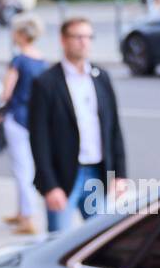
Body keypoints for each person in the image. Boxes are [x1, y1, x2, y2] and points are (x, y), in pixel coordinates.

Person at [28, 17, 127, 233]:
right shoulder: (46, 83)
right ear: (63, 40)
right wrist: (50, 185)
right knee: (58, 244)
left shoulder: (101, 78)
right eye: (78, 37)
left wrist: (120, 174)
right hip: (64, 178)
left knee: (98, 242)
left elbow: (114, 129)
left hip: (97, 174)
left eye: (88, 37)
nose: (84, 42)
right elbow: (39, 139)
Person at [0, 15, 47, 235]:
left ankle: (28, 219)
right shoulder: (41, 61)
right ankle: (21, 212)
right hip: (35, 119)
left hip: (17, 117)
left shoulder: (18, 60)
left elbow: (6, 93)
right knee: (28, 166)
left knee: (21, 169)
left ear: (20, 35)